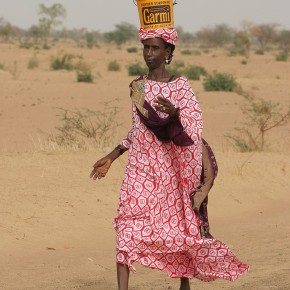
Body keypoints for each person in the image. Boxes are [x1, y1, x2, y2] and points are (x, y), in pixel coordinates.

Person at [90, 27, 248, 290]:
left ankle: (184, 283)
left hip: (171, 172)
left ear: (168, 52)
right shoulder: (138, 87)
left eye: (155, 48)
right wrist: (112, 156)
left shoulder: (181, 87)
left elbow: (195, 128)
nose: (149, 53)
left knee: (176, 232)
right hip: (139, 169)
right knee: (126, 226)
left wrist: (176, 114)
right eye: (146, 47)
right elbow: (137, 130)